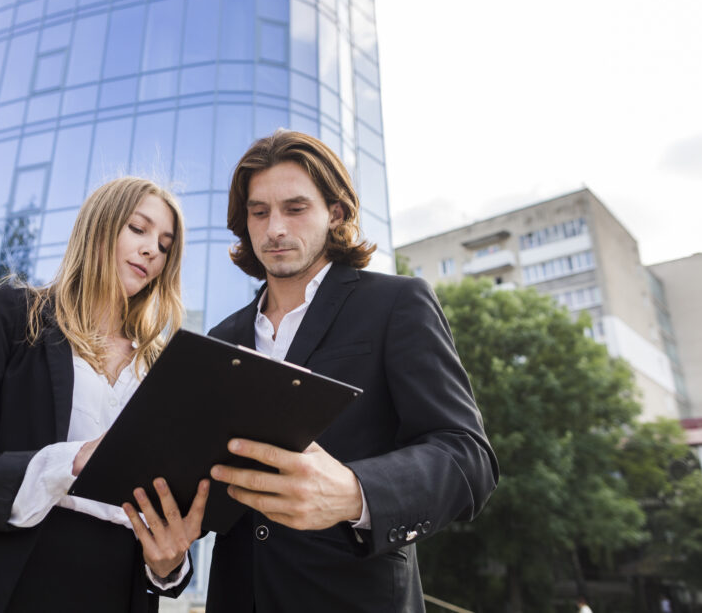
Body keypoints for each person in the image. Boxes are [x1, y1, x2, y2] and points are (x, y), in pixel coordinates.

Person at [204, 130, 499, 612]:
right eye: (259, 212)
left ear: (335, 213)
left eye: (295, 208)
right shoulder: (220, 338)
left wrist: (356, 492)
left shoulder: (397, 303)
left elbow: (467, 457)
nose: (275, 228)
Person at [0, 177, 208, 612]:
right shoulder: (8, 317)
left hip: (116, 594)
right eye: (138, 229)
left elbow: (165, 523)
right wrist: (73, 461)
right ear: (99, 227)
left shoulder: (163, 369)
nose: (151, 251)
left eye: (164, 245)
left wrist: (169, 564)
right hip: (3, 589)